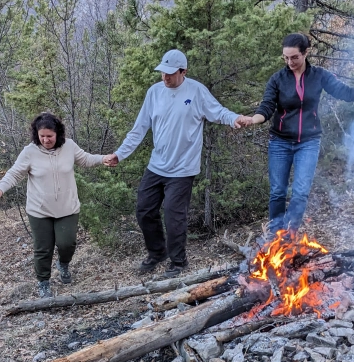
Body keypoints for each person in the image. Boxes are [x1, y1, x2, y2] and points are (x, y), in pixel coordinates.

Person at [104, 49, 252, 278]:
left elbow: (218, 112)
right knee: (144, 210)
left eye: (171, 73)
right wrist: (119, 154)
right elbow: (139, 128)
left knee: (174, 215)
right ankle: (157, 253)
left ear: (183, 71)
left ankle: (178, 262)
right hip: (157, 165)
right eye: (163, 72)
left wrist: (236, 119)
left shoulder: (196, 91)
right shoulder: (154, 93)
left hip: (183, 168)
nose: (165, 77)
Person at [250, 33, 354, 236]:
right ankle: (275, 237)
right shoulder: (277, 79)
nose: (289, 62)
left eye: (294, 57)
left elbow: (347, 93)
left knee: (300, 193)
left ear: (306, 52)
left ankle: (290, 235)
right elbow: (266, 108)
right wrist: (252, 119)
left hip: (308, 142)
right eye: (285, 58)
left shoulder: (319, 75)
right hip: (280, 142)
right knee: (277, 192)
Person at [0, 113, 110, 298]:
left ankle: (63, 264)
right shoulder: (30, 152)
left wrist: (103, 159)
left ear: (58, 134)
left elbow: (85, 159)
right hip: (40, 210)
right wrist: (0, 189)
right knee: (43, 248)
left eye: (50, 136)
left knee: (66, 243)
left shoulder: (69, 146)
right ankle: (44, 282)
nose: (45, 140)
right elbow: (14, 173)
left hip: (67, 207)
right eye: (42, 136)